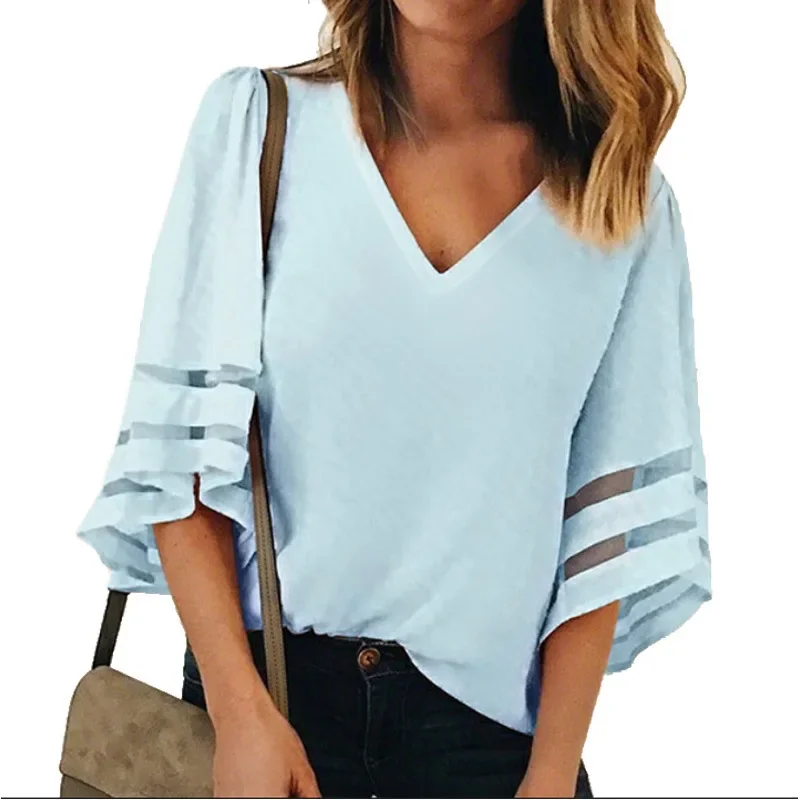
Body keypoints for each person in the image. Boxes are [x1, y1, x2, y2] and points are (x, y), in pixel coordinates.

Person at [75, 1, 711, 797]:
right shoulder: (260, 129)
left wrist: (550, 775)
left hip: (493, 749)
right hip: (270, 707)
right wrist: (240, 713)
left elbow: (599, 531)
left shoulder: (621, 204)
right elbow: (183, 459)